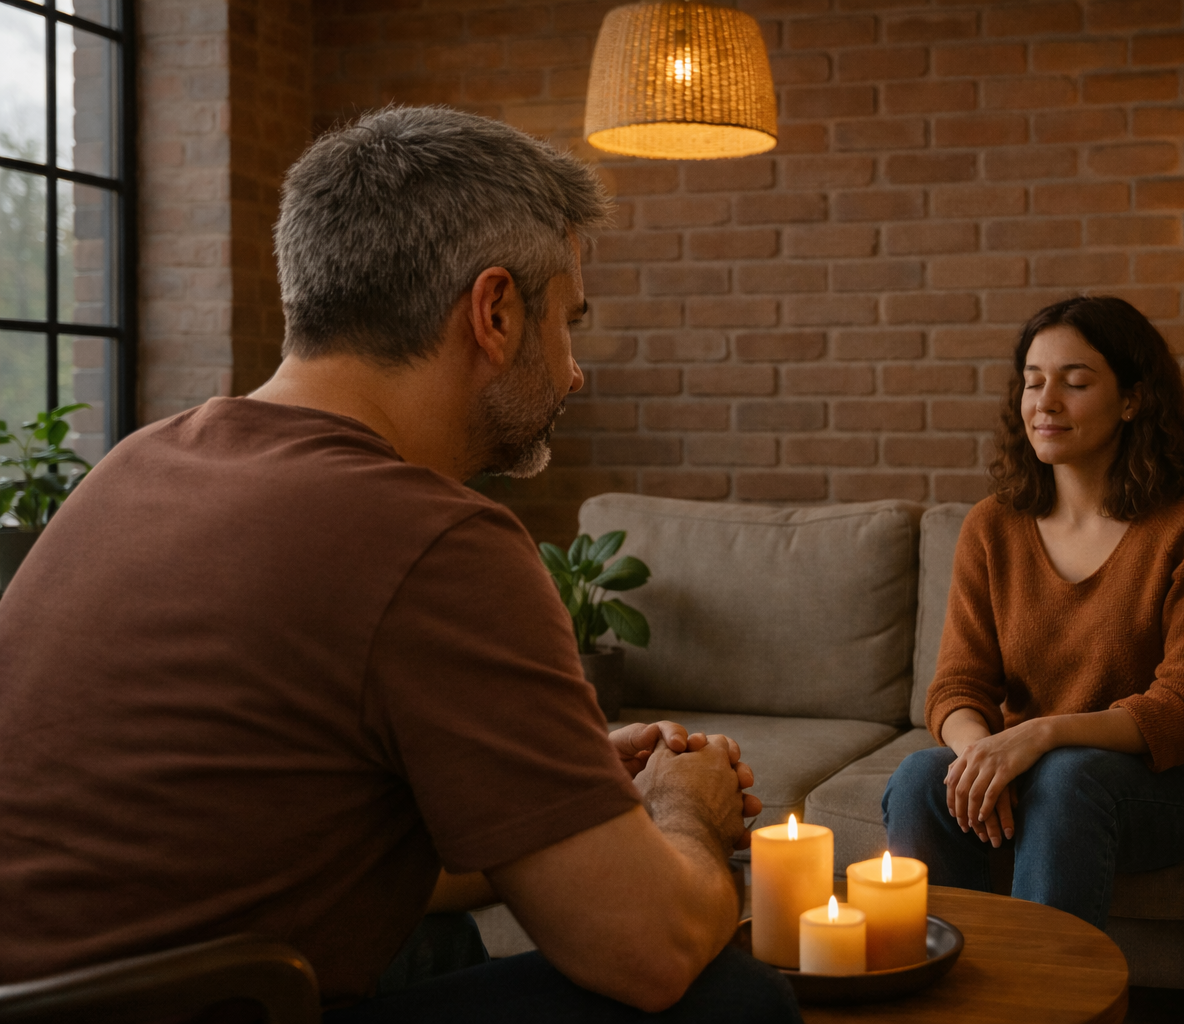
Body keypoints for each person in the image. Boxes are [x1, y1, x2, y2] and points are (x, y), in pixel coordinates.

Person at [0, 106, 799, 1023]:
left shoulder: (137, 463)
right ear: (495, 312)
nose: (575, 372)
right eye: (569, 322)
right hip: (208, 1002)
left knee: (437, 940)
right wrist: (683, 811)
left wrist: (543, 796)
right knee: (728, 999)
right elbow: (648, 950)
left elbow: (269, 846)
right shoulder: (434, 539)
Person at [882, 295, 1184, 929]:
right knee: (925, 774)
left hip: (1181, 779)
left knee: (1067, 778)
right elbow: (957, 688)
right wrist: (982, 759)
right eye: (1032, 383)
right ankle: (936, 988)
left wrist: (1041, 733)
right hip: (1042, 766)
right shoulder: (991, 526)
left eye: (1075, 382)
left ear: (1133, 399)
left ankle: (1045, 1000)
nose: (1045, 402)